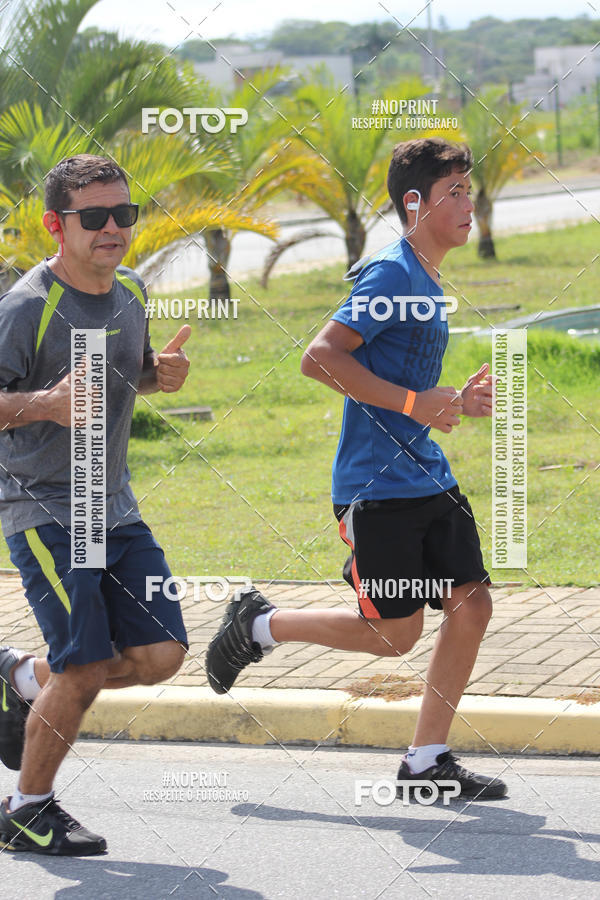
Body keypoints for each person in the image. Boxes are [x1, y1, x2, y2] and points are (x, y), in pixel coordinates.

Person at [206, 138, 507, 801]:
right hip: (378, 488)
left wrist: (454, 404)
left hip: (426, 472)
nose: (469, 205)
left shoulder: (426, 275)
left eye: (469, 190)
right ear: (414, 202)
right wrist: (411, 403)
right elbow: (319, 358)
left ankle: (426, 759)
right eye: (453, 193)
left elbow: (400, 382)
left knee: (472, 605)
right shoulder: (392, 274)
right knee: (394, 634)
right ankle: (260, 624)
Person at [0, 154, 191, 854]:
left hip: (111, 503)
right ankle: (26, 810)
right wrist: (44, 404)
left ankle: (20, 677)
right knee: (82, 664)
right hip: (44, 506)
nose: (113, 228)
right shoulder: (26, 307)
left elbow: (118, 373)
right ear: (57, 225)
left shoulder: (133, 292)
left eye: (125, 214)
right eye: (95, 217)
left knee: (160, 653)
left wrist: (156, 375)